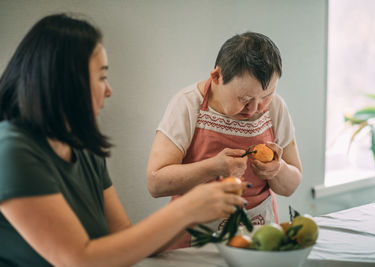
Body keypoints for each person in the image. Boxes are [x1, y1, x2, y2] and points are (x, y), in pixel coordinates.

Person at [0, 14, 248, 266]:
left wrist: (194, 212)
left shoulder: (85, 150)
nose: (109, 90)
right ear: (63, 81)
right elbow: (78, 259)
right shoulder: (11, 151)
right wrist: (185, 209)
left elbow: (126, 239)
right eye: (101, 77)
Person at [147, 32, 302, 249]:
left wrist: (277, 169)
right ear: (217, 77)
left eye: (266, 96)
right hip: (196, 240)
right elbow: (155, 183)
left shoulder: (276, 108)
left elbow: (291, 185)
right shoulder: (187, 105)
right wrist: (213, 167)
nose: (256, 108)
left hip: (259, 236)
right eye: (245, 99)